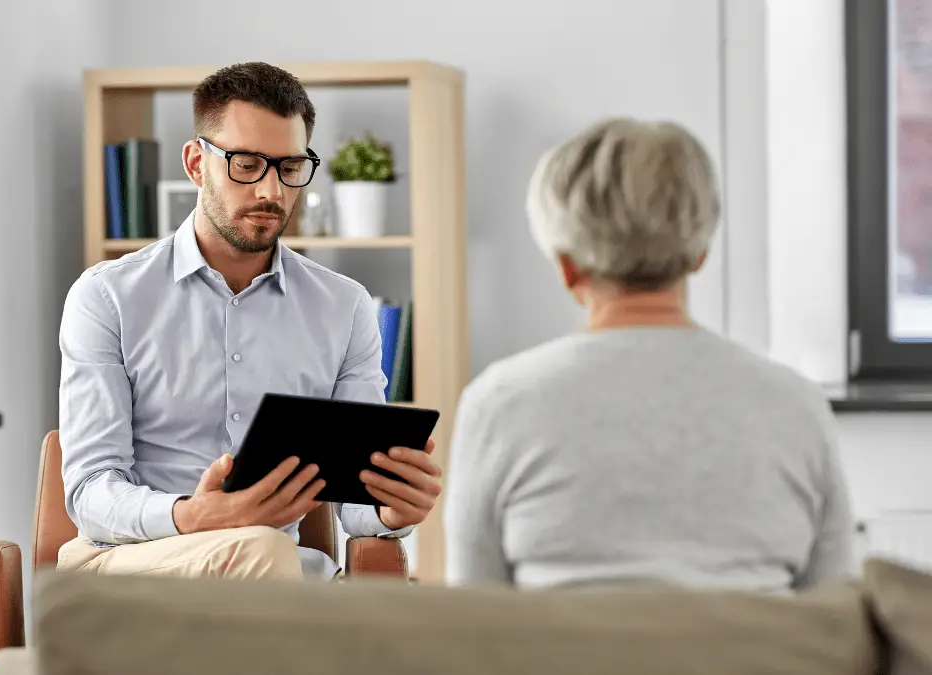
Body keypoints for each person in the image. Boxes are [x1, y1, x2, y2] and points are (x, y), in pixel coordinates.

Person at [55, 61, 441, 581]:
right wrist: (191, 515)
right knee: (265, 556)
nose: (271, 191)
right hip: (129, 564)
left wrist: (390, 509)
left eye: (289, 167)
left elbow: (354, 498)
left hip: (270, 573)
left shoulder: (344, 307)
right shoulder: (106, 297)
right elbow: (90, 492)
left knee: (285, 565)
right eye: (246, 163)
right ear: (196, 163)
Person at [443, 117, 855, 592]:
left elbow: (475, 625)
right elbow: (835, 614)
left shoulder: (498, 403)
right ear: (699, 253)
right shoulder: (796, 404)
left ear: (567, 267)